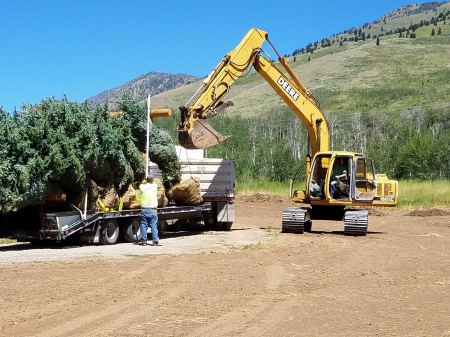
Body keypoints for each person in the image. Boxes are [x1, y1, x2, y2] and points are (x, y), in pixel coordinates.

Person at [138, 175, 160, 246]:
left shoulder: (142, 187)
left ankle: (144, 241)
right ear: (152, 180)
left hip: (144, 209)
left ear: (146, 180)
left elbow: (142, 183)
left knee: (144, 225)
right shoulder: (154, 187)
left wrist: (145, 181)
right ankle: (155, 241)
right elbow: (155, 183)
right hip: (153, 209)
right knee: (153, 225)